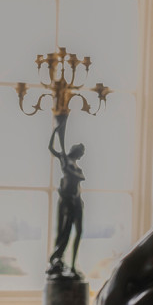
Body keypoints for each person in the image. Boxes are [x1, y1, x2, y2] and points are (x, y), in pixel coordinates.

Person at [47, 112, 86, 277]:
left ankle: (73, 265)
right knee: (65, 232)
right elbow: (51, 148)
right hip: (67, 201)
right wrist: (55, 131)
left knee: (79, 231)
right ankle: (57, 258)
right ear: (74, 150)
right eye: (80, 151)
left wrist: (73, 173)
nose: (80, 153)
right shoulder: (64, 159)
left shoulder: (74, 165)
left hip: (78, 201)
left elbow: (81, 177)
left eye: (81, 152)